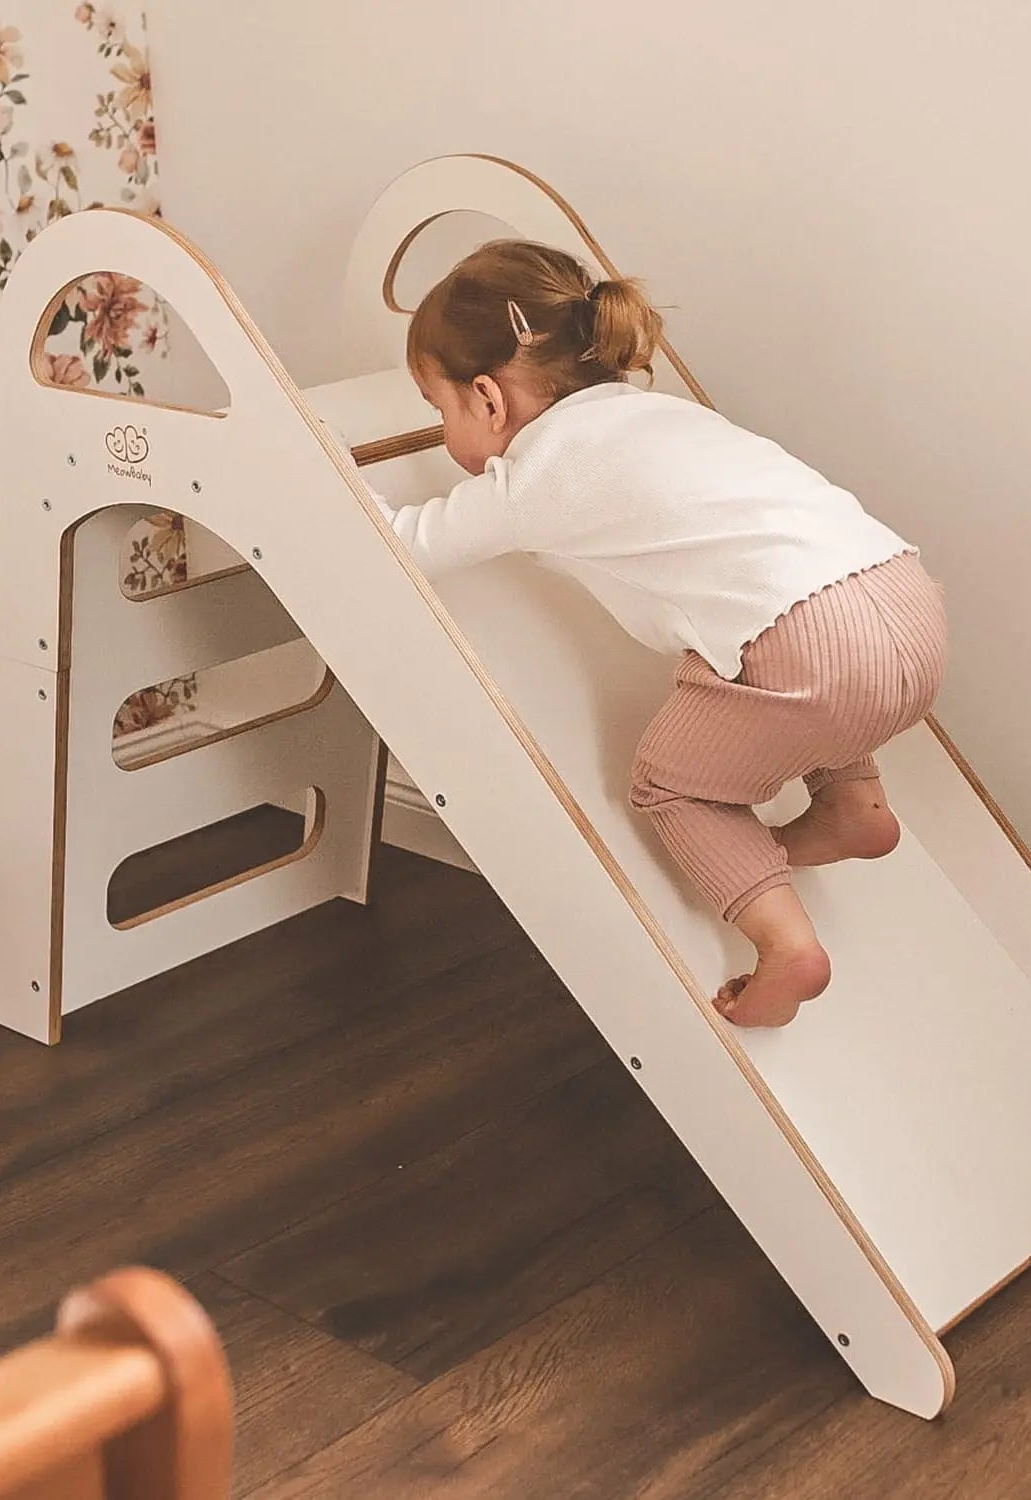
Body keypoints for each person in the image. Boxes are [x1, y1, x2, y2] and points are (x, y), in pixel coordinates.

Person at [372, 240, 946, 1028]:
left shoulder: (537, 475)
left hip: (808, 645)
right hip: (903, 599)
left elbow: (405, 546)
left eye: (440, 413)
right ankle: (854, 801)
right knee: (806, 675)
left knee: (672, 780)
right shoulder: (663, 416)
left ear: (488, 399)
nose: (445, 434)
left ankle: (785, 945)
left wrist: (312, 482)